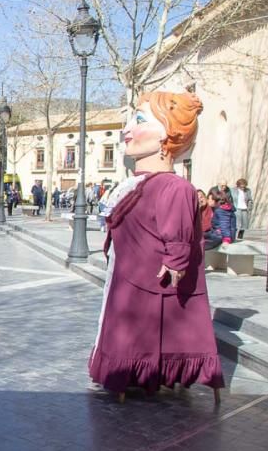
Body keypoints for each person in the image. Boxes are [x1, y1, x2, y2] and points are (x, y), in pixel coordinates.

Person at [89, 91, 223, 403]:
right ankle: (132, 374)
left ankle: (145, 372)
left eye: (138, 121)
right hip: (129, 274)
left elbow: (177, 233)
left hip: (150, 280)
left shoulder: (173, 186)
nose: (127, 130)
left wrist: (175, 259)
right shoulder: (140, 183)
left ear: (168, 133)